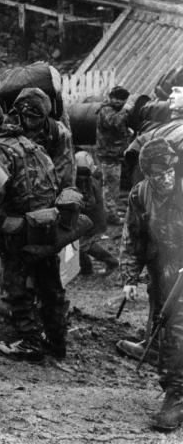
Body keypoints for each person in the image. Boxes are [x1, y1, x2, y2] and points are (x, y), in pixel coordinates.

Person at [0, 98, 70, 362]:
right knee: (50, 285)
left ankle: (30, 341)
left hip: (18, 227)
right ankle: (57, 342)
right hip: (47, 223)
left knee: (15, 286)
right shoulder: (31, 144)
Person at [118, 138, 183, 432]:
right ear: (147, 174)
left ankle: (176, 396)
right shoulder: (140, 194)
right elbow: (134, 238)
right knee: (161, 326)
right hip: (160, 273)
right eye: (159, 175)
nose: (166, 179)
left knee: (177, 333)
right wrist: (130, 278)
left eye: (171, 172)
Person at [11, 88, 75, 188]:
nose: (28, 120)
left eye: (34, 117)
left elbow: (64, 172)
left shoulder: (58, 132)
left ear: (44, 116)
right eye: (25, 116)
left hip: (48, 188)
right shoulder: (12, 128)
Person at [74, 150, 119, 275]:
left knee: (83, 245)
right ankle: (85, 268)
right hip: (91, 219)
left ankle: (111, 262)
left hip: (91, 220)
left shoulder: (87, 182)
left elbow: (91, 203)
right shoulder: (90, 178)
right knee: (81, 244)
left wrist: (78, 204)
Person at [97, 86, 135, 223]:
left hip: (114, 155)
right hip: (109, 155)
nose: (119, 103)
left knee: (112, 185)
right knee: (110, 186)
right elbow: (114, 122)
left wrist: (127, 132)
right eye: (117, 99)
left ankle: (110, 211)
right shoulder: (106, 110)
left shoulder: (114, 110)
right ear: (111, 98)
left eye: (122, 101)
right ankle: (110, 216)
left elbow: (119, 128)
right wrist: (127, 110)